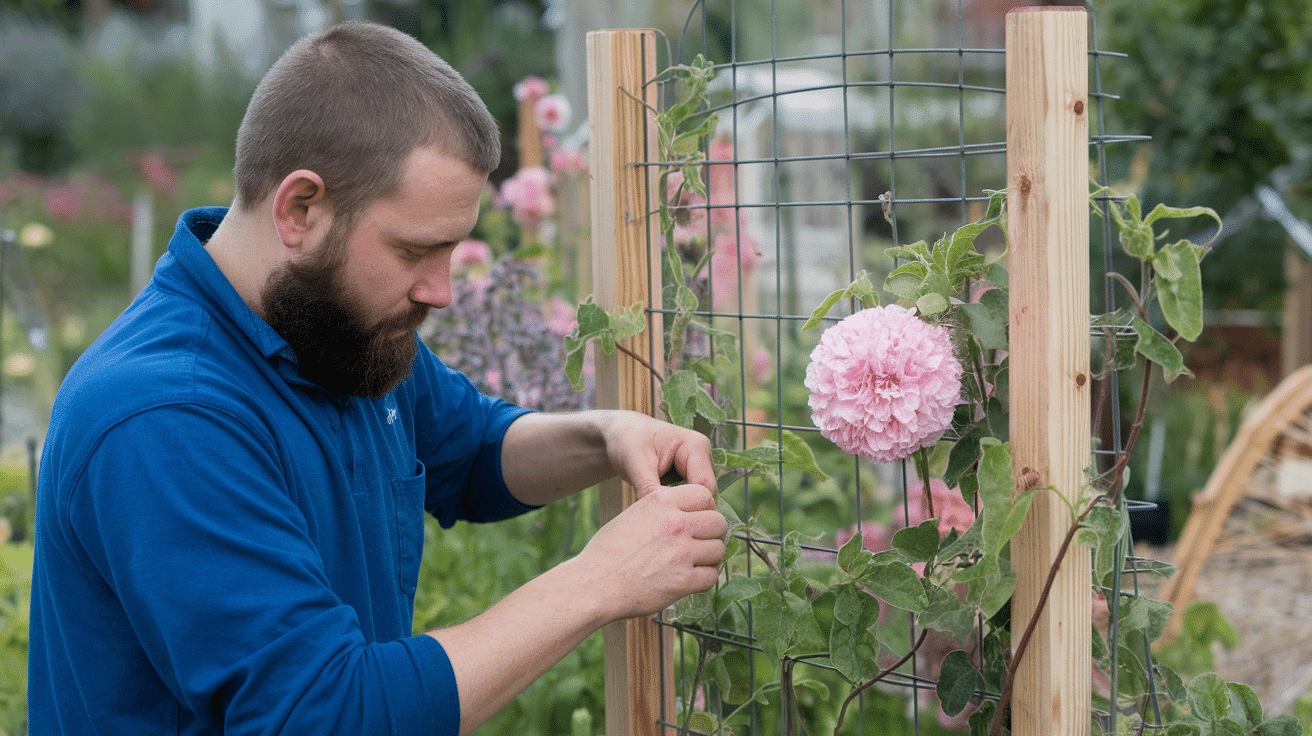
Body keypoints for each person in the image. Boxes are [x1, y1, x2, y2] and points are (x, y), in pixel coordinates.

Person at [27, 20, 727, 735]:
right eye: (417, 250)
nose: (442, 290)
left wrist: (606, 436)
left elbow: (473, 450)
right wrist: (601, 581)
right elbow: (324, 714)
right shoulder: (164, 416)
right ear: (301, 208)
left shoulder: (330, 328)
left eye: (454, 249)